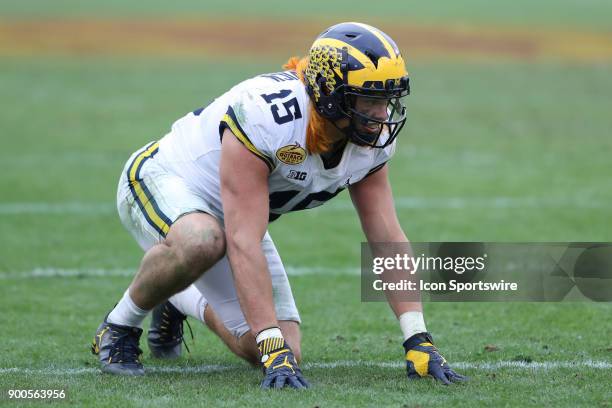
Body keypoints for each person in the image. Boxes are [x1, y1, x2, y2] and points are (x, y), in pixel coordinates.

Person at [92, 21, 466, 388]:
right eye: (369, 100)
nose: (381, 115)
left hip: (233, 210)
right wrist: (273, 346)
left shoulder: (372, 139)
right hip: (164, 177)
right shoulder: (266, 117)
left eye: (387, 100)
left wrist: (417, 337)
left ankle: (177, 294)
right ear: (329, 93)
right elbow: (242, 239)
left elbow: (385, 234)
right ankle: (119, 327)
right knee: (202, 240)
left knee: (276, 348)